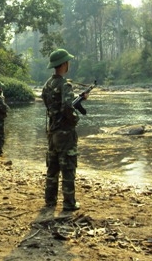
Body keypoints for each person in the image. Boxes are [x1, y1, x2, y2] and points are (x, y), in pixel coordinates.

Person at [41, 49, 88, 211]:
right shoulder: (65, 85)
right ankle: (69, 203)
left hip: (52, 131)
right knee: (68, 167)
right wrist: (75, 120)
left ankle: (50, 201)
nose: (69, 64)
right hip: (65, 133)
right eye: (67, 61)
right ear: (63, 64)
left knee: (52, 166)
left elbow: (50, 105)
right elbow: (68, 108)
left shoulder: (47, 84)